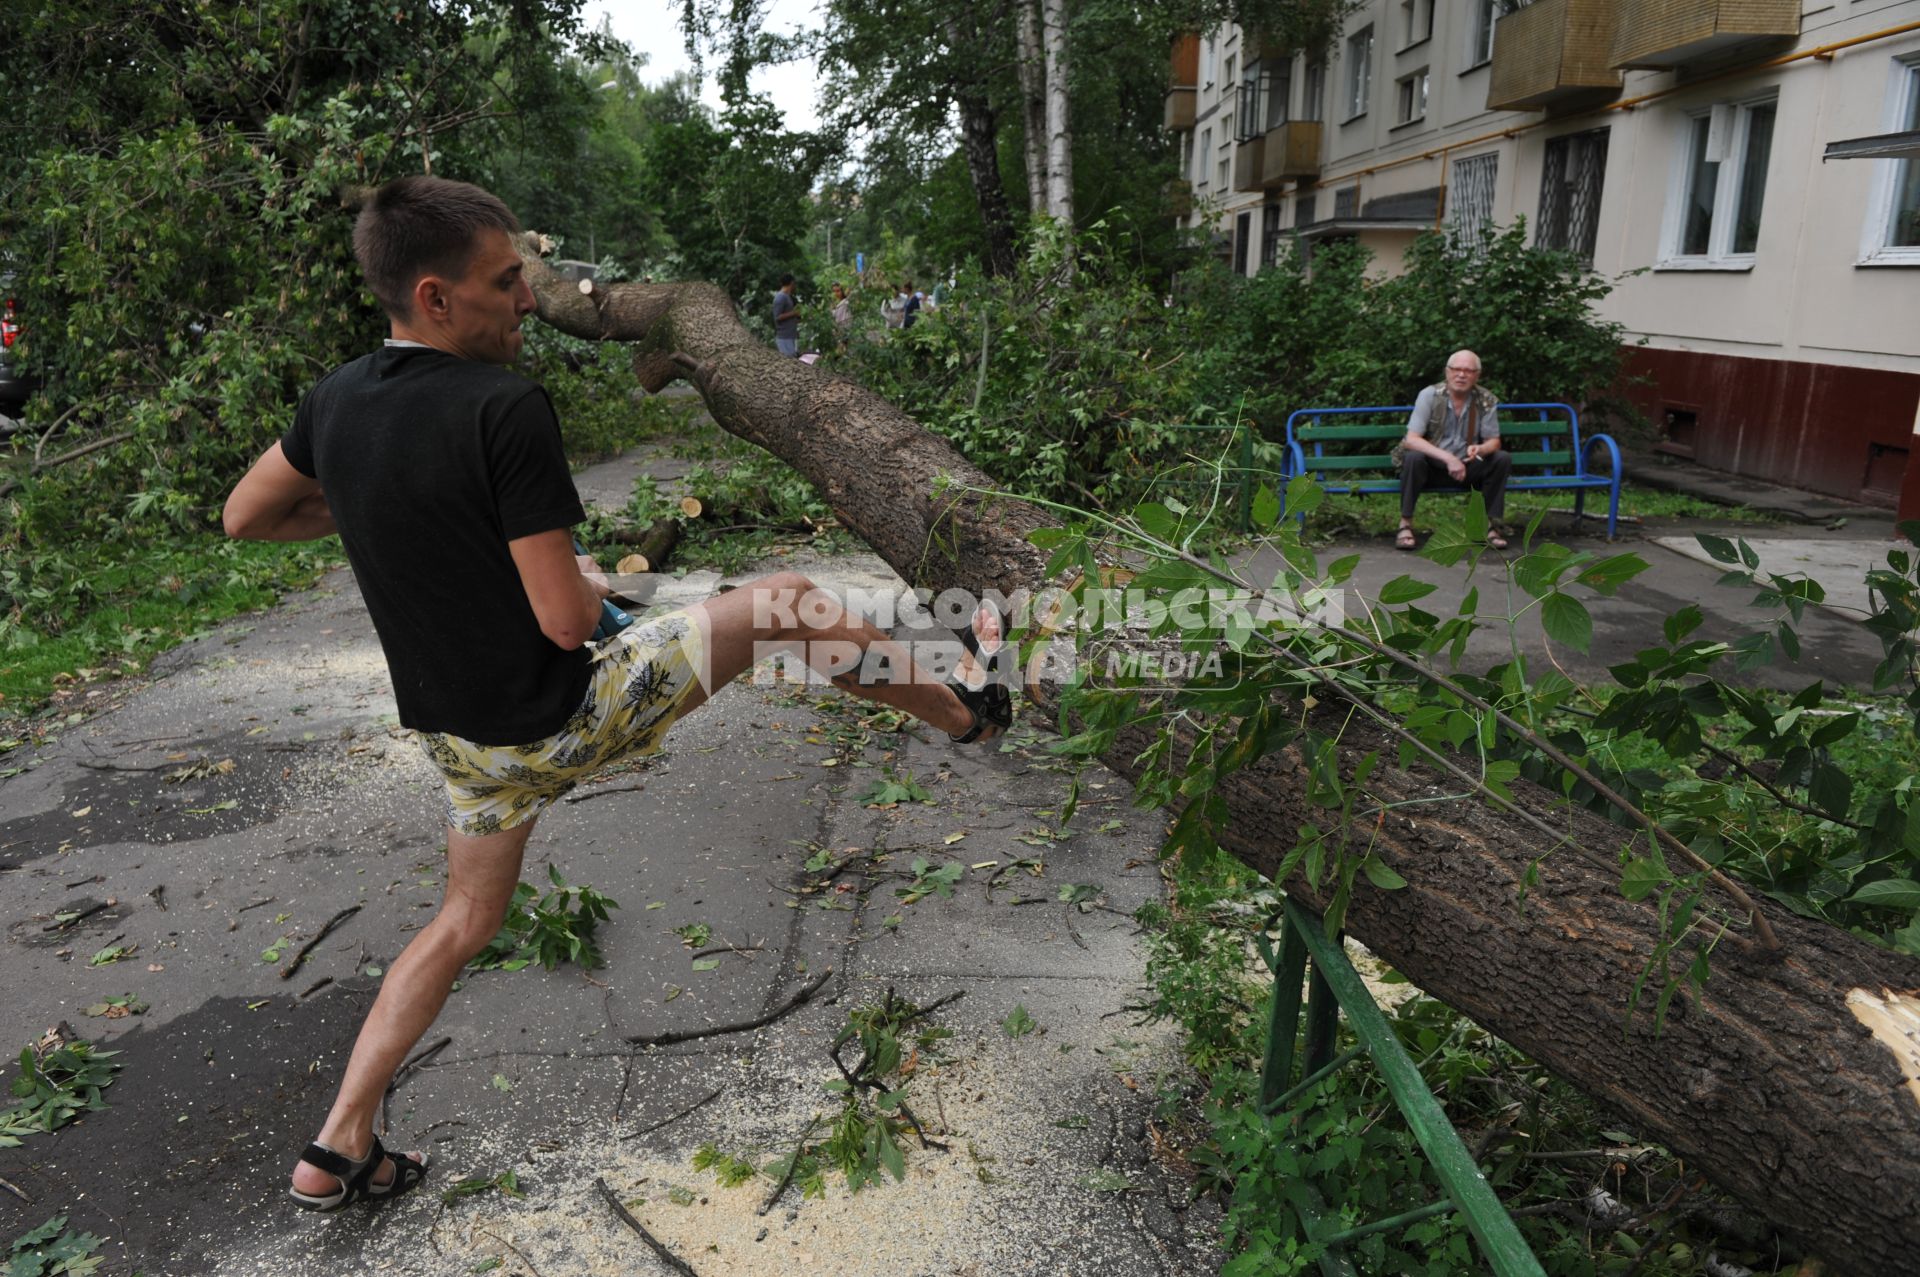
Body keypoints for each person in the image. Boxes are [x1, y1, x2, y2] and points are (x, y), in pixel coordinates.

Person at [222, 175, 1013, 1214]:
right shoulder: (502, 406)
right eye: (507, 283)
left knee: (462, 919)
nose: (527, 301)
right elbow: (561, 620)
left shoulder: (336, 400)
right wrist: (581, 582)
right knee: (786, 601)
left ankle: (337, 1145)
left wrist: (389, 510)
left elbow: (245, 515)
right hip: (557, 714)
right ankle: (968, 710)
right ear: (436, 296)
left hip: (463, 745)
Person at [1396, 349, 1512, 551]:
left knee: (1500, 458)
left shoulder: (1486, 399)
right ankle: (1405, 525)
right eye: (1456, 369)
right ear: (1447, 371)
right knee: (1413, 458)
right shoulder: (1430, 395)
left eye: (1468, 370)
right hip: (1432, 467)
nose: (1461, 375)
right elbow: (1411, 439)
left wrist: (1481, 448)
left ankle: (1490, 526)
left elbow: (1494, 442)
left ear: (1477, 375)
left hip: (1467, 468)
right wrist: (1449, 459)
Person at [772, 273, 801, 357]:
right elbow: (777, 317)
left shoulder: (787, 296)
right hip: (784, 337)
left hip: (790, 335)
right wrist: (794, 313)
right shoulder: (780, 297)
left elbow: (788, 317)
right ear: (792, 283)